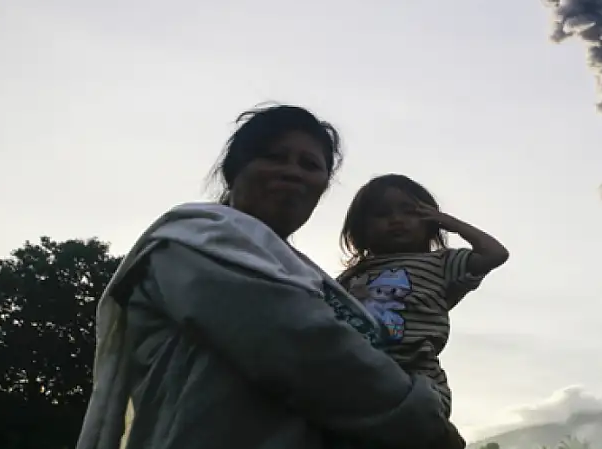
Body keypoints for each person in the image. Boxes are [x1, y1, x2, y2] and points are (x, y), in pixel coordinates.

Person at [76, 104, 464, 449]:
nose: (292, 172)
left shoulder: (308, 276)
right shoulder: (194, 242)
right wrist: (426, 423)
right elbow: (309, 351)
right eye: (274, 157)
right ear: (235, 169)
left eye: (310, 165)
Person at [337, 174, 510, 419]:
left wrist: (450, 223)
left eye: (410, 212)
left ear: (429, 221)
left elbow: (495, 254)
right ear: (360, 228)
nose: (397, 220)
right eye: (382, 214)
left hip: (416, 375)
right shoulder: (350, 277)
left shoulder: (441, 263)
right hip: (358, 373)